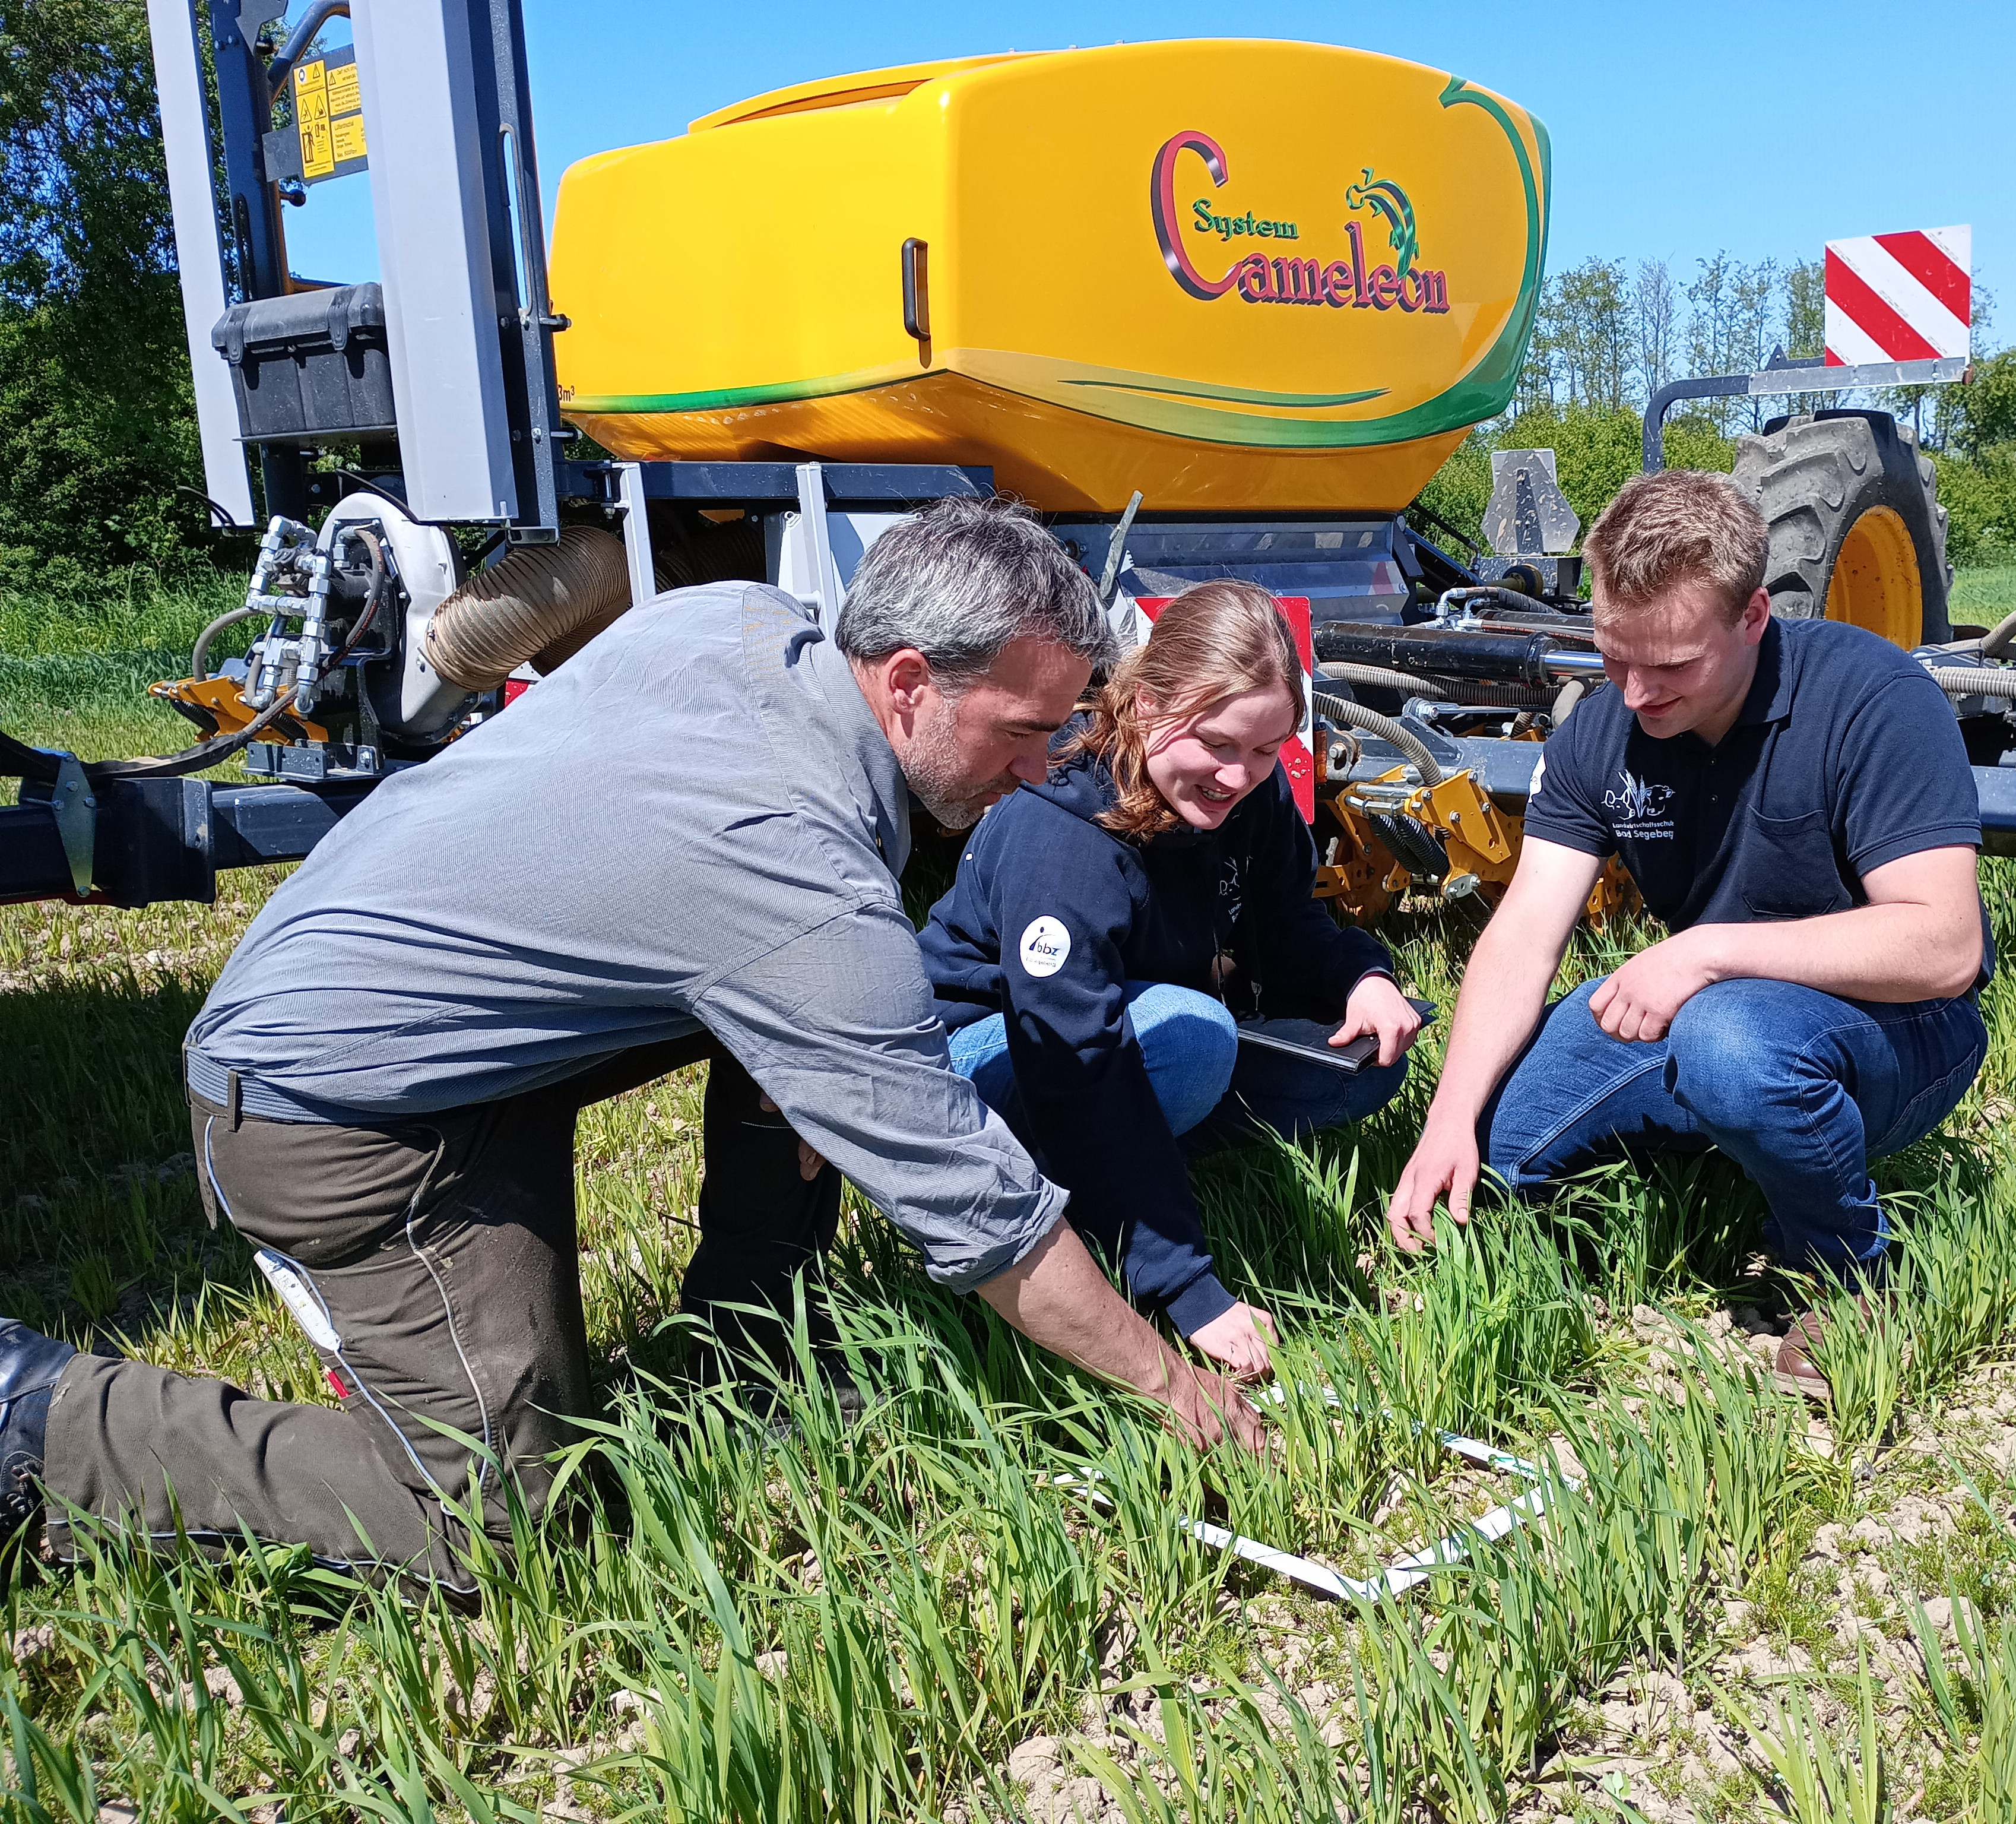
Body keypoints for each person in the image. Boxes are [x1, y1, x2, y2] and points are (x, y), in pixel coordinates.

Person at [0, 498, 1266, 1592]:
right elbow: (975, 1209)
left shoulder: (735, 624)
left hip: (452, 1040)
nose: (1044, 767)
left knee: (799, 1042)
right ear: (908, 682)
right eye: (1026, 730)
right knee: (488, 1520)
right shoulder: (789, 869)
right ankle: (39, 1418)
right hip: (328, 1113)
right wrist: (1177, 1392)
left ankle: (743, 1353)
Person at [1386, 469, 1990, 1399]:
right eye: (1613, 657)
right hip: (1712, 1013)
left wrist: (1703, 952)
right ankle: (1708, 1162)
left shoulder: (1873, 698)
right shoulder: (1603, 733)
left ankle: (1848, 1273)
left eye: (1670, 666)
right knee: (1496, 1153)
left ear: (1753, 617)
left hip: (1897, 1027)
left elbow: (1944, 949)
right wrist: (1447, 1122)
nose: (1634, 693)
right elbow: (1523, 937)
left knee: (1730, 1044)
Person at [920, 580, 1423, 1379]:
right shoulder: (1062, 832)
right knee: (1190, 1041)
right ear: (1148, 705)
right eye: (1218, 744)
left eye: (1267, 750)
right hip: (981, 1065)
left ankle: (1127, 1171)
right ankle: (1091, 1208)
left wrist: (1361, 978)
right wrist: (1186, 1288)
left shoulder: (1245, 795)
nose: (1240, 774)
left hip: (1137, 1026)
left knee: (1361, 1066)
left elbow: (1288, 925)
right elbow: (1074, 1057)